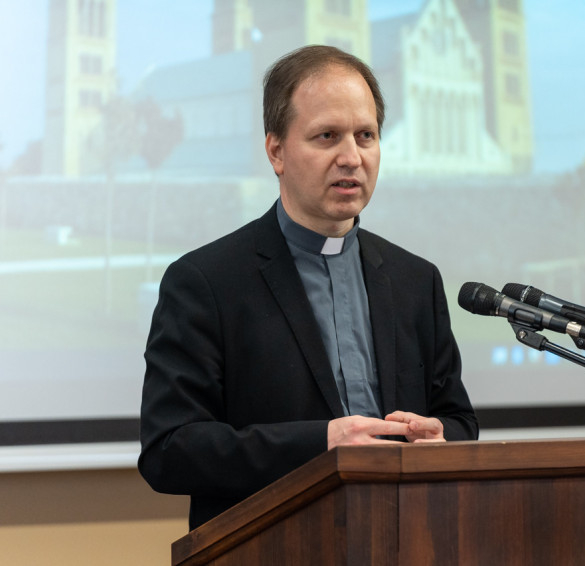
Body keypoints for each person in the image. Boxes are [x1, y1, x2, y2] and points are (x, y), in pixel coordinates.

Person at [138, 45, 478, 530]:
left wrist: (439, 438)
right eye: (327, 136)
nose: (351, 157)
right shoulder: (205, 282)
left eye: (366, 136)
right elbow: (170, 450)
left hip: (408, 538)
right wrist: (322, 444)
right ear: (276, 151)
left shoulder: (415, 280)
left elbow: (459, 421)